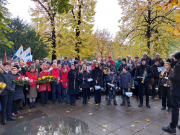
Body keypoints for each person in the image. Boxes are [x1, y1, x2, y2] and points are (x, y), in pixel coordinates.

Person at [162, 52, 180, 134]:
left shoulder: (178, 66)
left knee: (175, 108)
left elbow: (175, 78)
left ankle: (172, 127)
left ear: (176, 58)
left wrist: (169, 76)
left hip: (176, 89)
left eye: (174, 58)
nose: (173, 59)